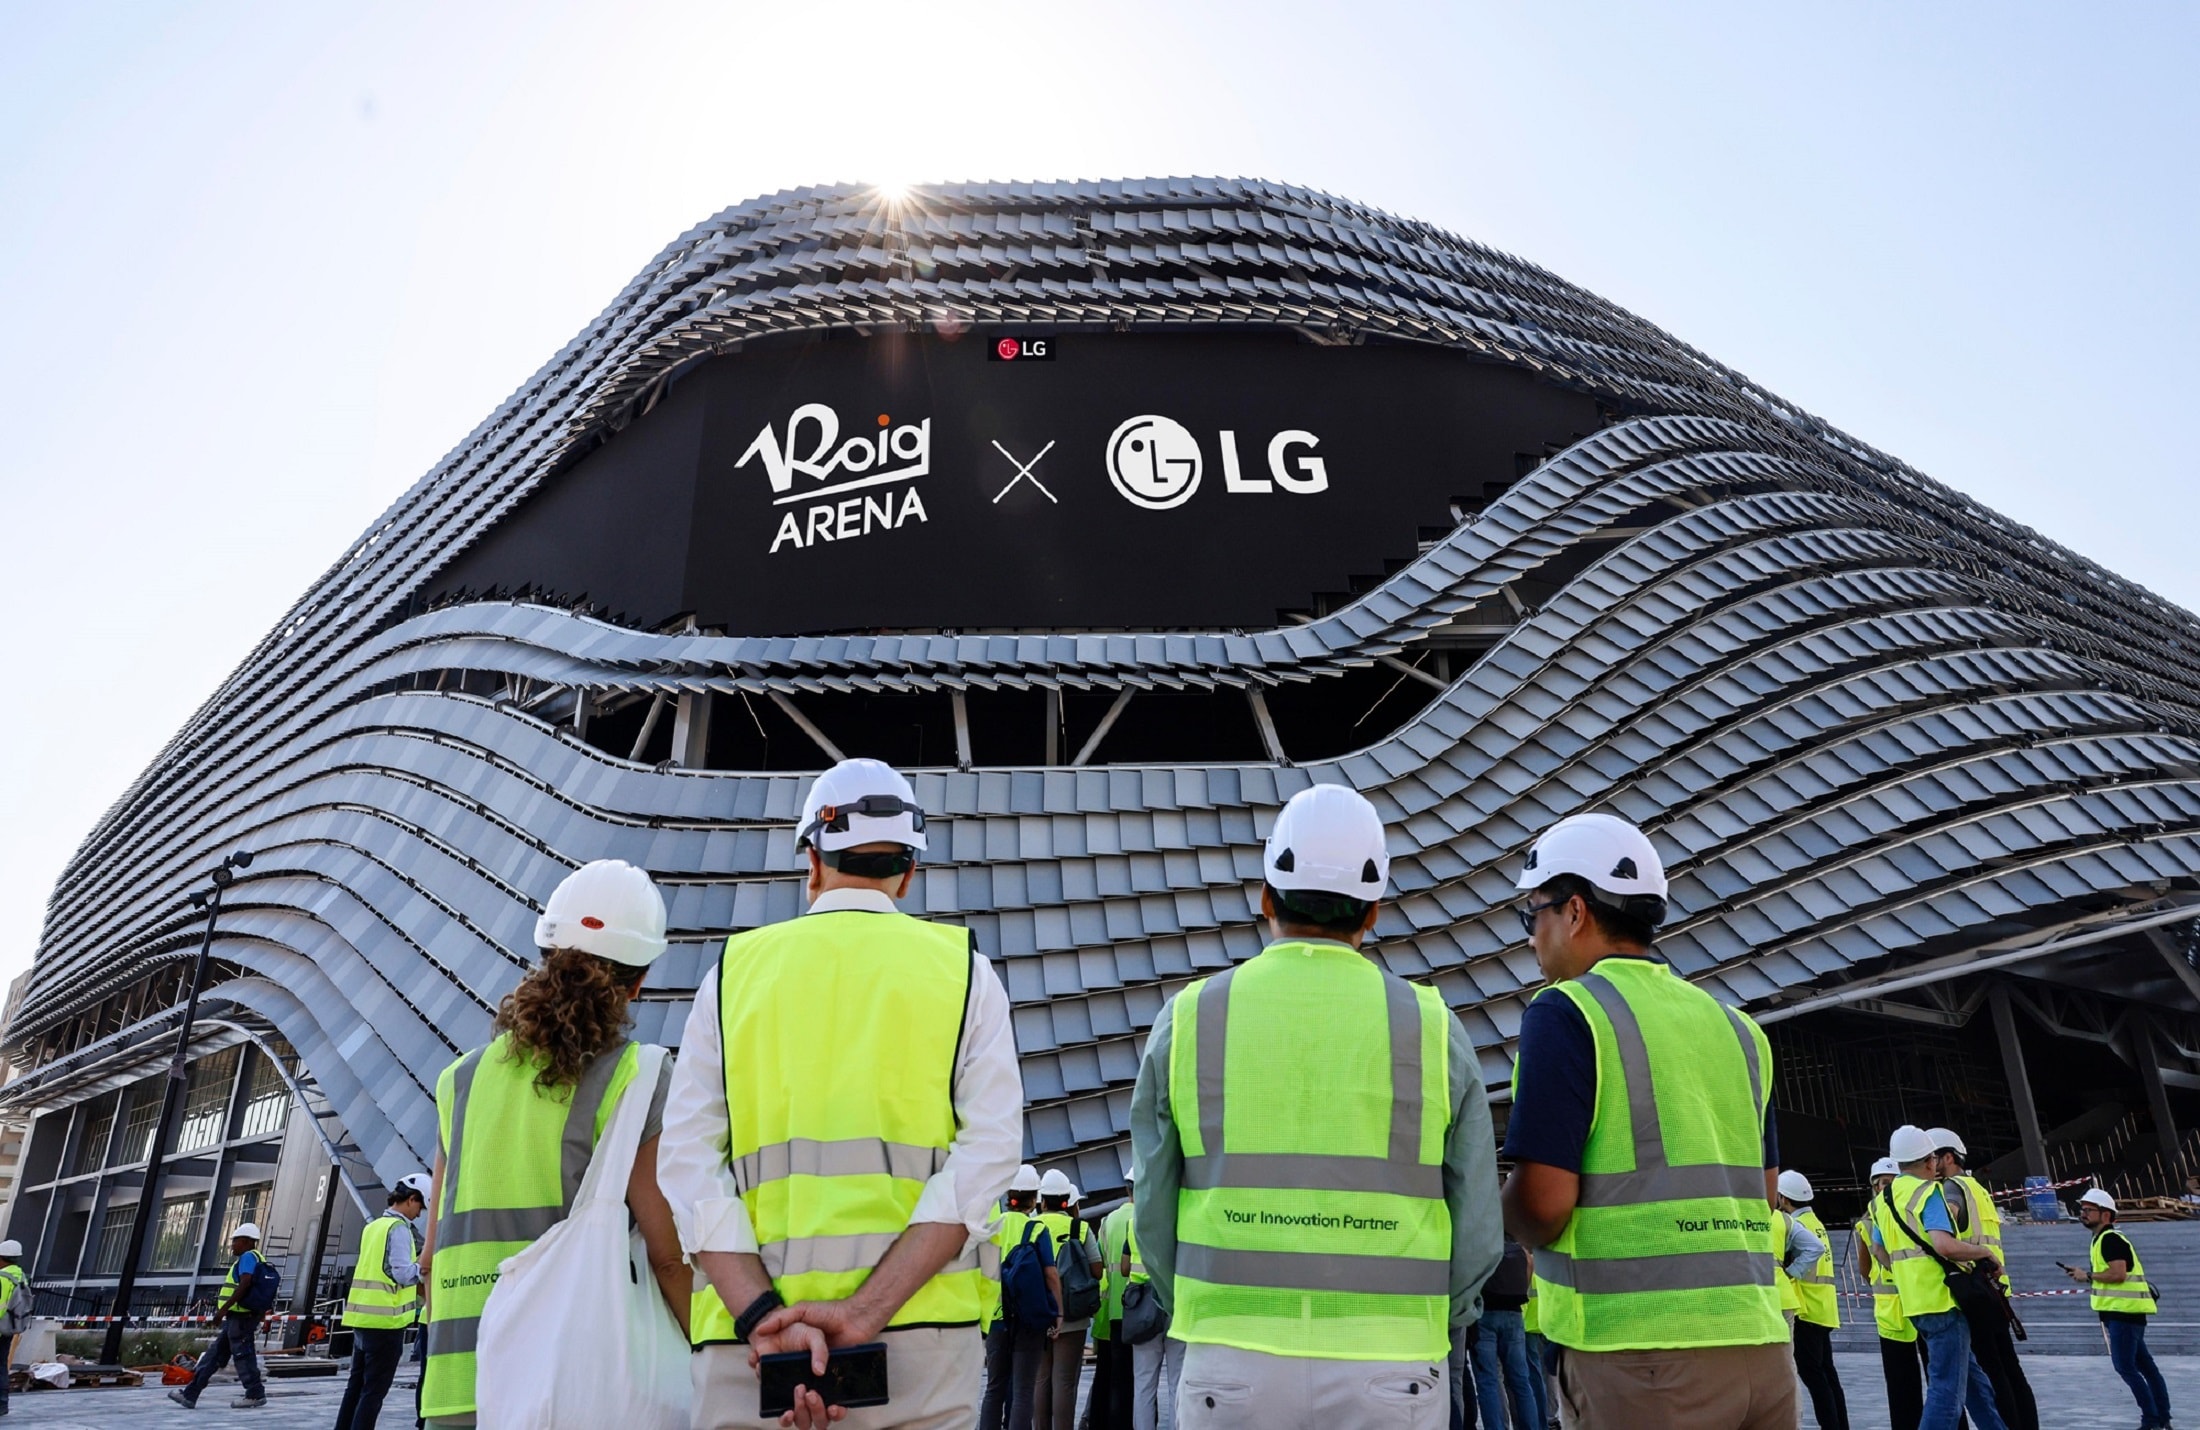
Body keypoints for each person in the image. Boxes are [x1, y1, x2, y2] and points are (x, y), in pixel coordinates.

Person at [662, 758, 1022, 1430]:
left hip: (751, 1356)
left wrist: (762, 1317)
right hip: (919, 1343)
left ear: (813, 862)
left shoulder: (733, 974)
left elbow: (685, 1162)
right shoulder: (965, 973)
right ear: (907, 874)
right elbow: (989, 1156)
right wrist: (863, 1314)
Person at [1130, 782, 1503, 1428]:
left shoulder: (1189, 1020)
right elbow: (1476, 1230)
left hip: (1231, 1362)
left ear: (1266, 896)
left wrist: (1197, 1306)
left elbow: (1153, 1216)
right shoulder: (1432, 1028)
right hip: (1393, 1367)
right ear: (1374, 910)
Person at [1499, 812, 1792, 1429]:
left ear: (1574, 912)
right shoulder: (1738, 1029)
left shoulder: (1565, 1011)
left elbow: (1545, 1208)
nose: (1530, 937)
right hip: (1762, 1352)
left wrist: (1494, 1212)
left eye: (1533, 914)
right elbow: (1764, 1195)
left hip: (1639, 1360)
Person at [418, 859, 689, 1428]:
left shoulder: (459, 1081)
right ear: (637, 982)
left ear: (544, 957)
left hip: (456, 1381)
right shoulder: (636, 1077)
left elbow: (431, 1254)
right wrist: (715, 1352)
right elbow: (667, 1256)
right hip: (569, 1382)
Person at [1868, 1125, 2007, 1430]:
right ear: (1929, 1161)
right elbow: (1944, 1245)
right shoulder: (1927, 1192)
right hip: (1943, 1301)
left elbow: (1878, 1250)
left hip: (1915, 1304)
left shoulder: (1883, 1200)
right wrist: (1983, 1253)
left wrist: (1907, 1273)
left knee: (1973, 1383)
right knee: (1945, 1392)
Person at [1928, 1129, 2034, 1430]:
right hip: (1996, 1290)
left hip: (1977, 1293)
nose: (1928, 1164)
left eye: (1933, 1157)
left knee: (1992, 1375)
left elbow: (1945, 1226)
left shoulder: (1950, 1189)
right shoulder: (1977, 1188)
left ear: (1948, 1158)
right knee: (2011, 1371)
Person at [2064, 1187, 2172, 1430]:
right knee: (2145, 1367)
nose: (2083, 1213)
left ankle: (2152, 1420)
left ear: (2106, 1215)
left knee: (2126, 1367)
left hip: (2123, 1313)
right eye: (2082, 1209)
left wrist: (2087, 1276)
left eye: (2088, 1210)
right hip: (2124, 1312)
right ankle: (2162, 1417)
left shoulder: (2110, 1239)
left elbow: (2118, 1273)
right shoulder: (2103, 1239)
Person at [332, 1172, 432, 1430]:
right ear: (411, 1199)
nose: (419, 1215)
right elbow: (401, 1273)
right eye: (421, 1207)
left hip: (363, 1321)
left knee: (355, 1387)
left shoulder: (373, 1227)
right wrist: (424, 1265)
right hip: (386, 1324)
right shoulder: (398, 1229)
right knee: (373, 1393)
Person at [981, 1165, 1055, 1430]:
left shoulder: (992, 1227)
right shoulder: (1036, 1229)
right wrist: (1057, 1312)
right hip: (1027, 1320)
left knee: (994, 1388)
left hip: (996, 1318)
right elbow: (1050, 1275)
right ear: (1034, 1200)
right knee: (1023, 1390)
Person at [168, 1223, 272, 1410]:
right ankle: (190, 1395)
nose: (232, 1245)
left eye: (235, 1241)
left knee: (243, 1355)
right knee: (214, 1355)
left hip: (241, 1318)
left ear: (247, 1241)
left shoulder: (248, 1257)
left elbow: (246, 1282)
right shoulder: (256, 1258)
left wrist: (223, 1310)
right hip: (238, 1317)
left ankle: (255, 1394)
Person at [1776, 1171, 1846, 1430]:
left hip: (1806, 1309)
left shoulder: (1794, 1226)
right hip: (1824, 1308)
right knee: (1827, 1375)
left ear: (1783, 1198)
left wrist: (1789, 1272)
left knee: (1814, 1378)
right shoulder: (1814, 1222)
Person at [1856, 1158, 1922, 1430]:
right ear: (1874, 1186)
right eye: (1885, 1183)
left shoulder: (1869, 1217)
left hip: (1906, 1307)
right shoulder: (1908, 1209)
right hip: (1902, 1308)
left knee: (1902, 1384)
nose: (1889, 1187)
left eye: (1892, 1182)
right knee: (1910, 1382)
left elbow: (1864, 1268)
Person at [1034, 1172, 1100, 1430]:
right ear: (1066, 1200)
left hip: (1039, 1313)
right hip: (1073, 1315)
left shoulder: (1032, 1226)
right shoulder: (1080, 1228)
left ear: (1042, 1200)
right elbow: (1097, 1270)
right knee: (1064, 1381)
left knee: (1040, 1379)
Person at [1472, 1240, 1538, 1430]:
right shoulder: (1515, 1240)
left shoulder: (1482, 1242)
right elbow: (1530, 1262)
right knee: (1520, 1381)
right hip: (1514, 1314)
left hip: (1485, 1315)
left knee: (1488, 1382)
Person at [0, 1237, 28, 1419]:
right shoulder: (20, 1275)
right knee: (1, 1366)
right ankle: (2, 1404)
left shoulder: (3, 1278)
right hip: (8, 1330)